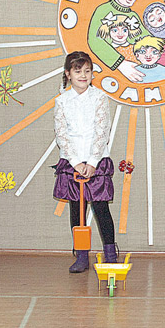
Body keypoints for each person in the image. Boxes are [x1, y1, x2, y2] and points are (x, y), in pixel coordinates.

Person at [53, 51, 118, 273]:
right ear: (68, 74)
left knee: (101, 208)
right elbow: (61, 134)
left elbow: (102, 131)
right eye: (78, 71)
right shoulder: (62, 101)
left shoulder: (99, 98)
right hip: (72, 163)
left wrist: (92, 162)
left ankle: (111, 255)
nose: (83, 75)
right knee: (76, 210)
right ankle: (81, 256)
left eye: (87, 71)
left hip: (96, 161)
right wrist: (75, 163)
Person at [87, 0, 150, 83]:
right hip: (112, 72)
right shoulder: (103, 10)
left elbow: (146, 38)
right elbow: (95, 41)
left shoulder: (133, 15)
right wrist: (120, 64)